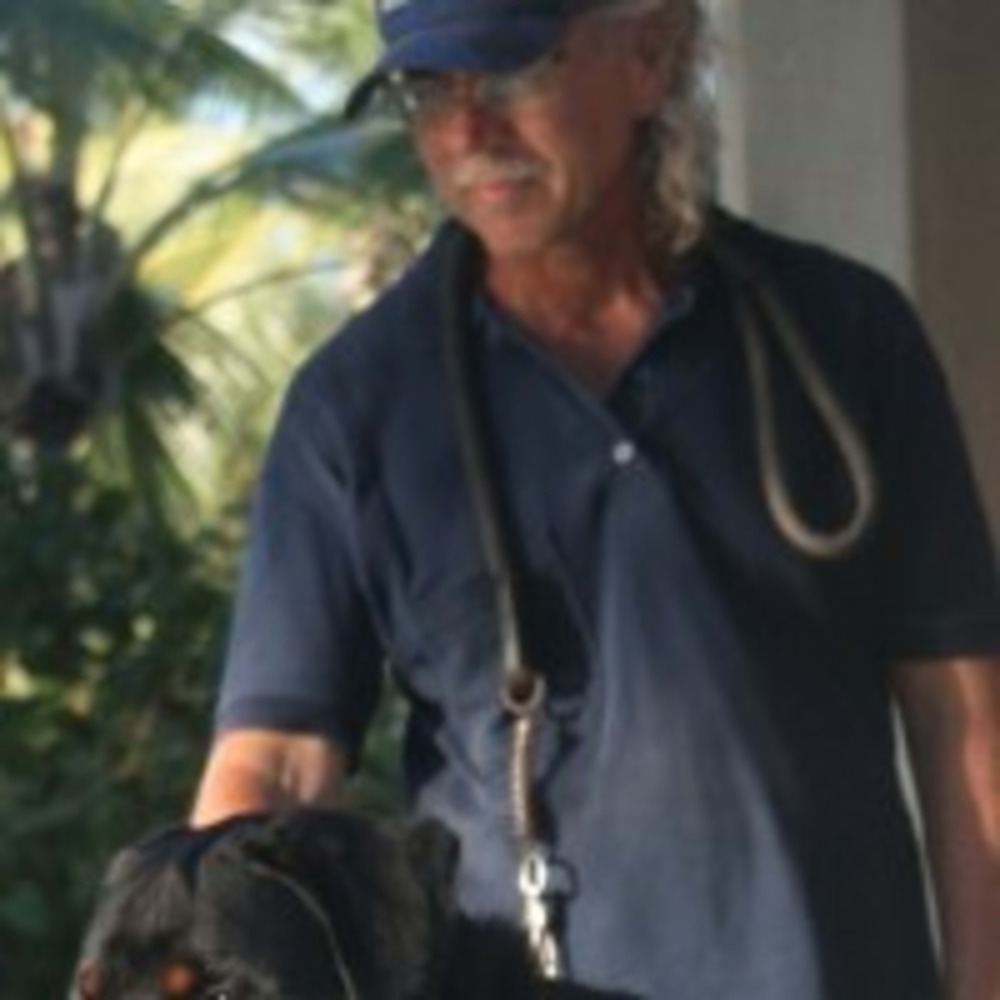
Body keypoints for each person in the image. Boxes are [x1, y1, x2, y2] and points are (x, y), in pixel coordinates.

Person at [191, 0, 1000, 996]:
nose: (466, 132)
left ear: (650, 55)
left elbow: (959, 714)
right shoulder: (356, 405)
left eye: (510, 75)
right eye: (428, 90)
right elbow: (272, 767)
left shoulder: (841, 336)